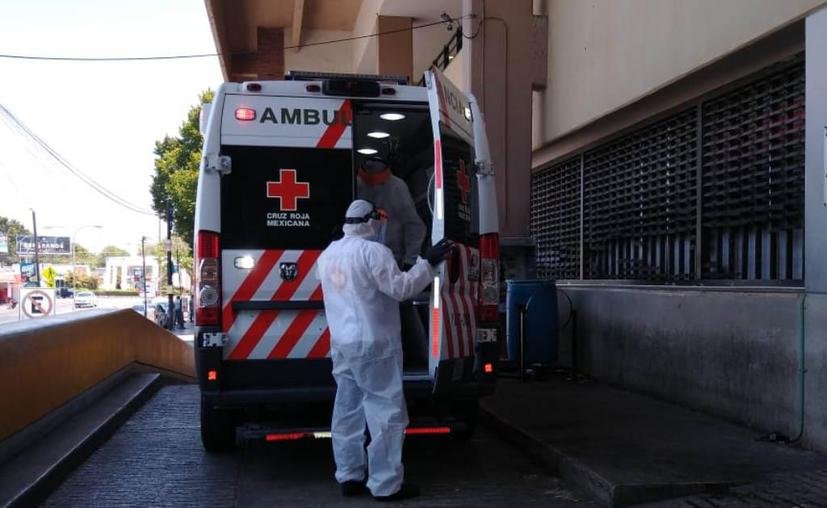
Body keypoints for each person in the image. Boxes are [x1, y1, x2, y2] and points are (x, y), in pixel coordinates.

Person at [316, 199, 452, 501]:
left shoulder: (328, 254)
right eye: (381, 218)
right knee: (385, 412)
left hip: (343, 344)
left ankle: (349, 475)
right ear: (371, 220)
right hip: (375, 344)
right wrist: (427, 263)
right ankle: (386, 484)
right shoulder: (374, 252)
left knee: (347, 409)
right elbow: (401, 289)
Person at [357, 157, 427, 270]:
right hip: (360, 258)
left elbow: (413, 226)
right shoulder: (356, 184)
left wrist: (410, 260)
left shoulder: (396, 187)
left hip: (391, 259)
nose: (375, 187)